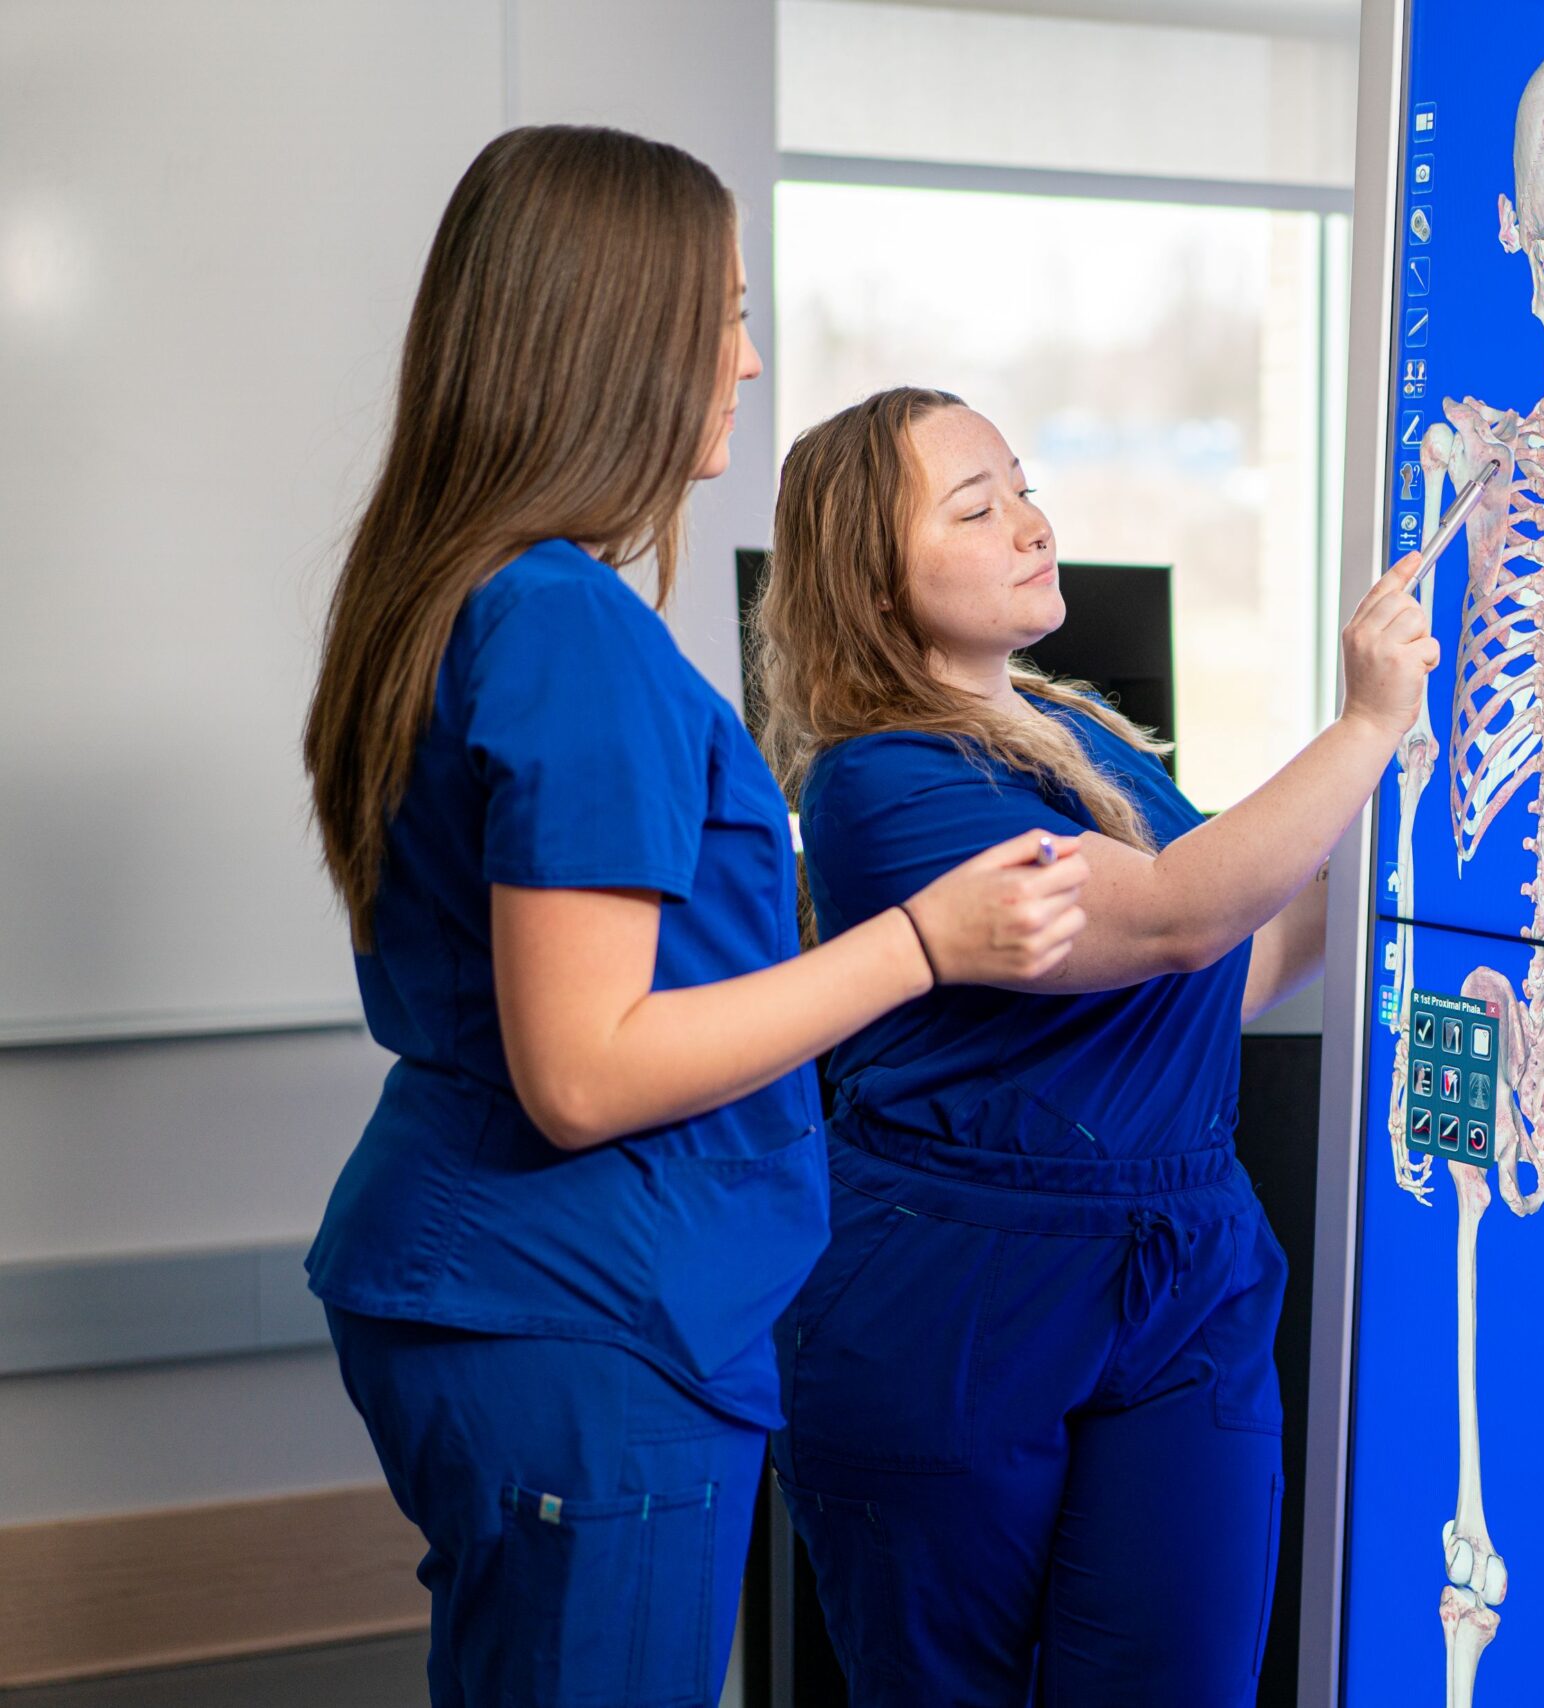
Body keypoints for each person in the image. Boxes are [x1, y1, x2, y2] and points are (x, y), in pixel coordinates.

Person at [298, 131, 1086, 1706]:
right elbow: (584, 1069)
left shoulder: (467, 591)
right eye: (719, 314)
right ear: (613, 336)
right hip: (582, 1318)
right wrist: (920, 944)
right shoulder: (569, 627)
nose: (744, 359)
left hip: (501, 1288)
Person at [751, 386, 1435, 1705]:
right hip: (957, 1296)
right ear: (872, 583)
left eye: (1022, 485)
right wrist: (1362, 730)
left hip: (1181, 1268)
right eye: (976, 505)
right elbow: (1181, 917)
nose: (1032, 524)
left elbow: (1221, 973)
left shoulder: (1088, 739)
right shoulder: (879, 783)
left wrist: (1411, 856)